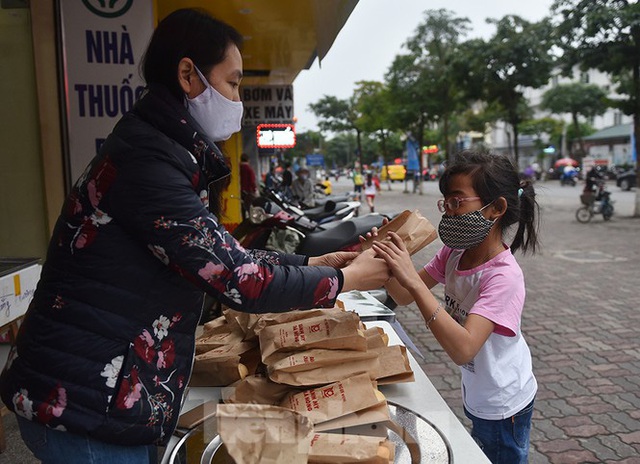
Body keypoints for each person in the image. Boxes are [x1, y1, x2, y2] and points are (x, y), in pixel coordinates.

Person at [0, 9, 390, 463]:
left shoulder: (162, 152)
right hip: (85, 406)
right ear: (189, 75)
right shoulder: (149, 162)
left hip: (106, 396)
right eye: (233, 83)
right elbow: (237, 279)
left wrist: (312, 266)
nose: (237, 99)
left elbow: (223, 254)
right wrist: (346, 281)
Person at [371, 151, 539, 464]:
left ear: (496, 209)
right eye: (445, 202)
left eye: (457, 202)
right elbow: (402, 293)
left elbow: (464, 349)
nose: (448, 212)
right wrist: (387, 257)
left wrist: (415, 283)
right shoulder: (454, 253)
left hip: (504, 400)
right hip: (477, 390)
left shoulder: (504, 276)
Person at [240, 153, 258, 219]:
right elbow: (252, 181)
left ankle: (243, 220)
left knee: (242, 209)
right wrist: (255, 190)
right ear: (248, 160)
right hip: (248, 192)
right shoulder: (249, 169)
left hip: (240, 192)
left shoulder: (238, 169)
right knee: (249, 208)